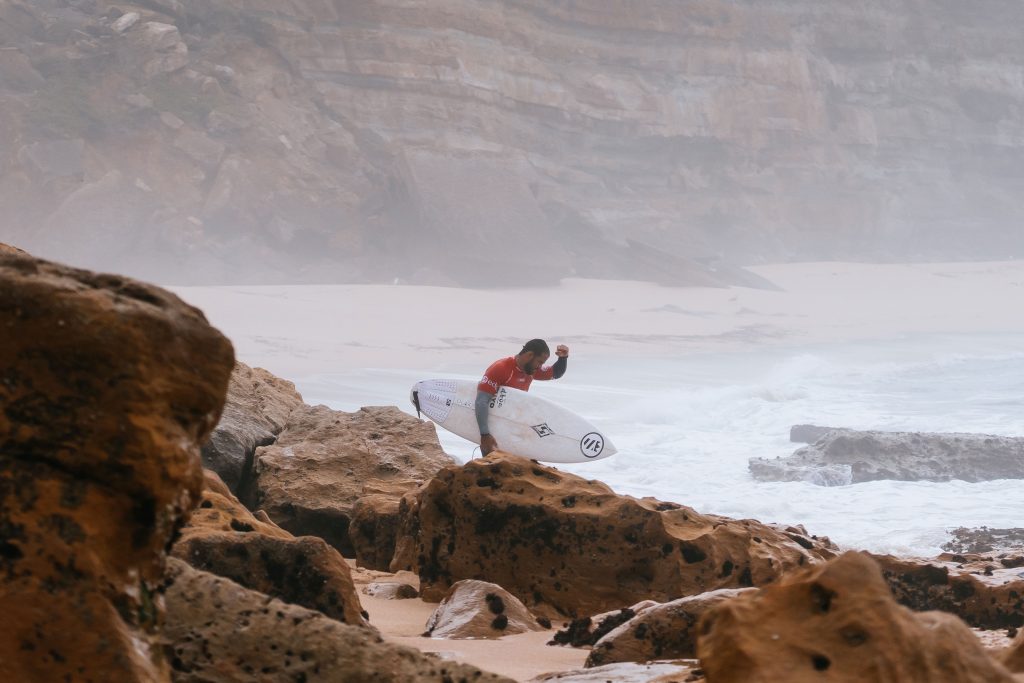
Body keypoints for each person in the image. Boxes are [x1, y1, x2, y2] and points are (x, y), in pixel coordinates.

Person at [476, 339, 569, 455]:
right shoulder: (501, 368)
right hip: (495, 429)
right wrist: (484, 435)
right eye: (540, 362)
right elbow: (481, 401)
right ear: (530, 355)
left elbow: (555, 373)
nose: (540, 366)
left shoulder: (530, 370)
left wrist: (563, 358)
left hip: (515, 426)